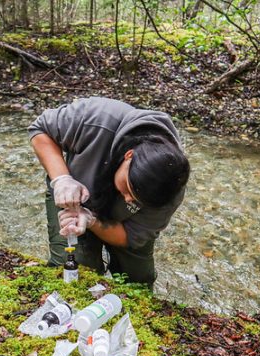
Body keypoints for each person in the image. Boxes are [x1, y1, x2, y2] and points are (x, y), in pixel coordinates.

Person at [28, 97, 190, 287]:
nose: (129, 199)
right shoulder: (98, 119)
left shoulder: (170, 188)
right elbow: (40, 130)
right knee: (77, 270)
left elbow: (128, 236)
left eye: (137, 200)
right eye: (129, 189)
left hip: (124, 221)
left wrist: (92, 221)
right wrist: (62, 179)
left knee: (138, 280)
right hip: (73, 197)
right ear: (129, 156)